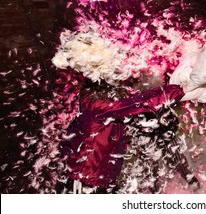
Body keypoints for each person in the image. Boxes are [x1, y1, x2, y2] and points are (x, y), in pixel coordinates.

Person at [60, 79, 199, 193]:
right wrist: (180, 90)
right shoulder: (99, 104)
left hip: (99, 180)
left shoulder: (101, 104)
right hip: (85, 181)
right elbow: (138, 103)